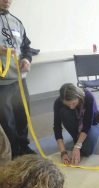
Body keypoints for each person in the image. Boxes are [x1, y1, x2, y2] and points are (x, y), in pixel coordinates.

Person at [0, 0, 35, 157]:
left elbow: (26, 47)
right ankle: (13, 152)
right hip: (2, 82)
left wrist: (27, 59)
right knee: (7, 121)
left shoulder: (16, 21)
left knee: (22, 115)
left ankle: (23, 147)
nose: (7, 0)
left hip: (20, 80)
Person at [53, 83, 99, 165]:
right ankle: (76, 138)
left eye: (74, 103)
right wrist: (63, 152)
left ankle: (79, 141)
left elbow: (87, 125)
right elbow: (57, 127)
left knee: (86, 151)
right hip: (76, 123)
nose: (71, 107)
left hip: (92, 124)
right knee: (64, 112)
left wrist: (77, 146)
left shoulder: (88, 97)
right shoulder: (58, 102)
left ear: (78, 97)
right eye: (67, 104)